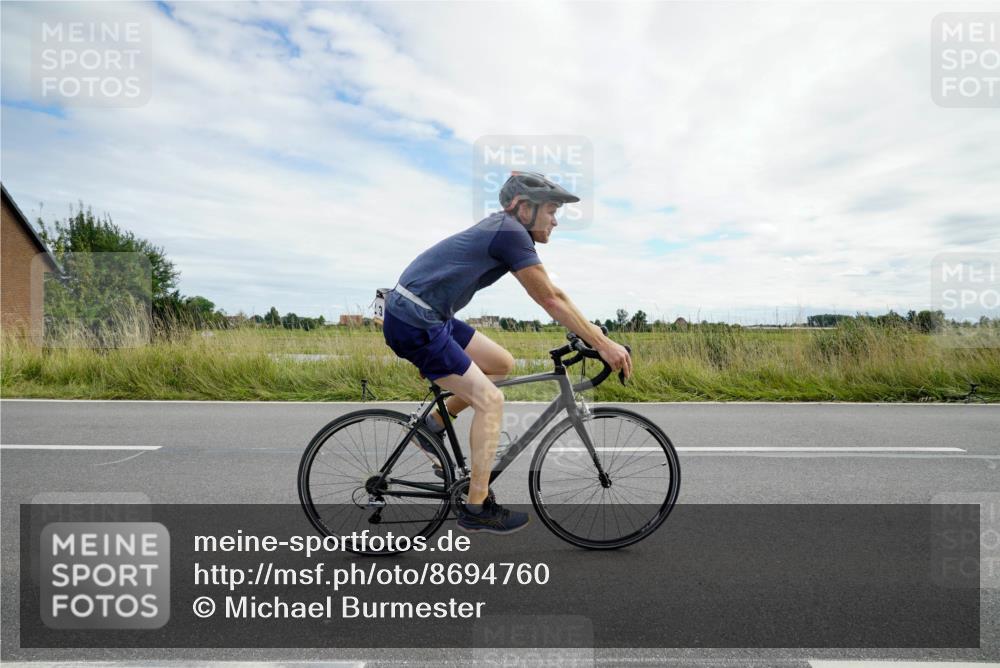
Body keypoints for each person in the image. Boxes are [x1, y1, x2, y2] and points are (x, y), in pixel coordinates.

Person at [382, 171, 632, 534]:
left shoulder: (506, 228)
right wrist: (603, 344)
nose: (556, 219)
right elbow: (550, 297)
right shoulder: (510, 232)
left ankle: (434, 424)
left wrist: (593, 336)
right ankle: (476, 505)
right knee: (491, 401)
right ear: (524, 208)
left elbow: (553, 294)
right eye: (551, 209)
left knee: (501, 364)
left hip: (430, 316)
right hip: (415, 320)